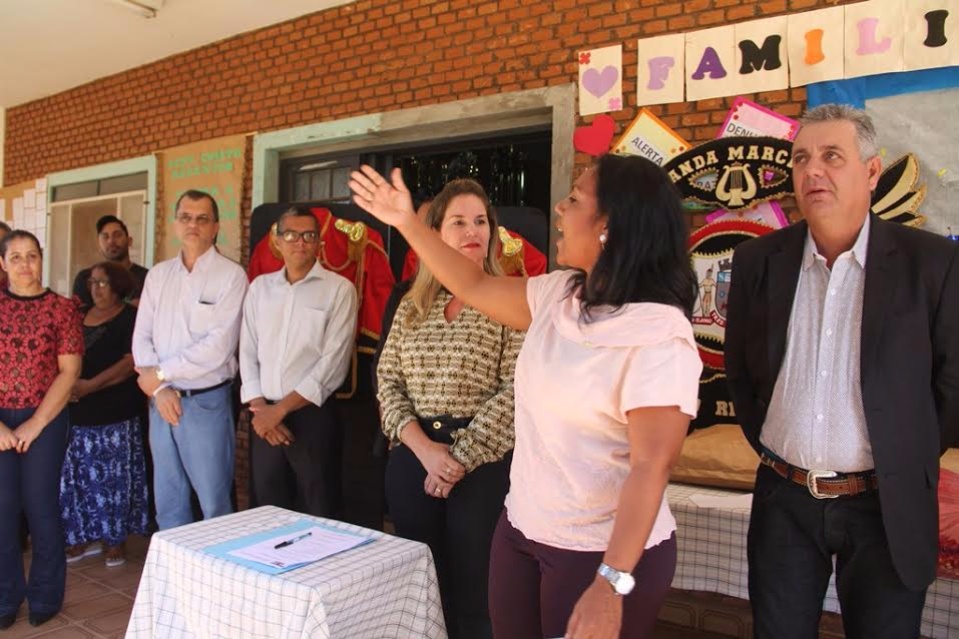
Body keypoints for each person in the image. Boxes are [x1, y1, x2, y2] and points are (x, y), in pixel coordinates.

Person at [351, 155, 702, 639]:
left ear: (609, 225)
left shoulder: (659, 334)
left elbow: (651, 467)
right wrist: (407, 221)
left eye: (575, 199)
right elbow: (471, 282)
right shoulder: (559, 295)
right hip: (521, 532)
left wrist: (612, 582)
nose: (559, 208)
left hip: (597, 552)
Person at [725, 104, 959, 639]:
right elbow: (740, 372)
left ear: (872, 173)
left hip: (886, 504)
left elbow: (951, 386)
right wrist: (773, 447)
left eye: (832, 156)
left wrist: (904, 454)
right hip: (784, 497)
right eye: (802, 158)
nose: (813, 172)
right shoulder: (758, 261)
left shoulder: (932, 265)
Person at [375, 179, 522, 639]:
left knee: (475, 591)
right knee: (422, 585)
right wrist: (424, 450)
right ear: (434, 233)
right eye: (458, 221)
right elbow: (388, 383)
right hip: (414, 459)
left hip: (481, 467)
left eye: (480, 221)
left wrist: (457, 458)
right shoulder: (412, 306)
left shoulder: (510, 299)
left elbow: (516, 390)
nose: (471, 230)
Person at [132, 190, 247, 530]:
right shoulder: (158, 275)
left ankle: (219, 581)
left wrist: (161, 373)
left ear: (215, 227)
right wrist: (161, 388)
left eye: (201, 218)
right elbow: (141, 337)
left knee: (214, 503)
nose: (192, 224)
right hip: (160, 402)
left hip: (205, 403)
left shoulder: (231, 276)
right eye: (185, 217)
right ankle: (176, 581)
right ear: (175, 224)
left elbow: (219, 347)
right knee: (168, 502)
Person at [240, 206, 357, 517]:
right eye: (290, 235)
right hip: (263, 415)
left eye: (308, 235)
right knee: (267, 507)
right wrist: (261, 409)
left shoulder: (339, 289)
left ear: (319, 242)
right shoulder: (259, 289)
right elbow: (247, 351)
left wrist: (279, 410)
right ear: (277, 241)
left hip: (311, 416)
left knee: (318, 506)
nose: (299, 242)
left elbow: (333, 364)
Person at [0, 231, 83, 630]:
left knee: (40, 507)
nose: (24, 264)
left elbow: (69, 372)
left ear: (41, 260)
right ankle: (4, 596)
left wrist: (35, 421)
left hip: (45, 417)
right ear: (3, 264)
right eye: (15, 257)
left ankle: (45, 595)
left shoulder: (62, 308)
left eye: (31, 256)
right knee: (1, 511)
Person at [60, 261, 148, 568]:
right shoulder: (79, 315)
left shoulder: (130, 317)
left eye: (103, 283)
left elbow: (129, 364)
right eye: (92, 282)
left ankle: (114, 540)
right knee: (79, 477)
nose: (96, 288)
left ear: (119, 287)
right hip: (77, 410)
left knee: (113, 479)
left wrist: (90, 386)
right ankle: (83, 536)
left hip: (115, 410)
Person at [72, 215, 149, 309]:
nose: (111, 241)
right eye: (105, 237)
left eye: (117, 235)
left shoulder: (147, 277)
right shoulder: (85, 278)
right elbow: (79, 318)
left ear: (129, 241)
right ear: (99, 244)